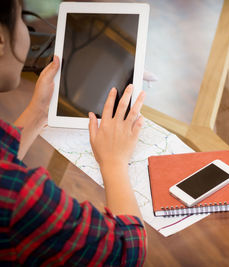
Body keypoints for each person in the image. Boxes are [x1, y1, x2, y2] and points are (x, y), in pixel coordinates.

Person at [0, 0, 147, 265]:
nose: (26, 30)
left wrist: (39, 111)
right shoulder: (18, 194)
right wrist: (114, 162)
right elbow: (126, 252)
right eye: (22, 18)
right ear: (1, 39)